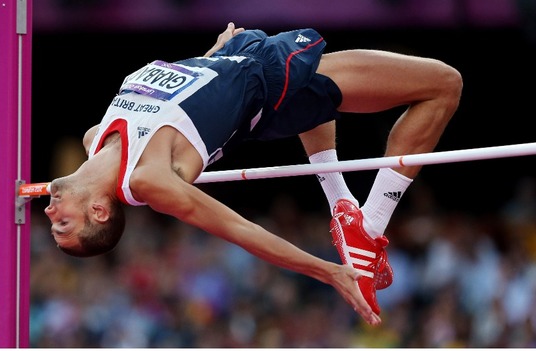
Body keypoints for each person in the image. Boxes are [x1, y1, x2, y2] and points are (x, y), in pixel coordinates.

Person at [44, 22, 462, 326]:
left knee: (321, 100)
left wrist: (214, 55)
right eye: (64, 223)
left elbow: (185, 97)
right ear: (99, 211)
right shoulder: (148, 180)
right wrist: (329, 271)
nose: (49, 213)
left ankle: (343, 207)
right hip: (265, 77)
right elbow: (240, 230)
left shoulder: (95, 137)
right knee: (443, 83)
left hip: (247, 73)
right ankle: (369, 227)